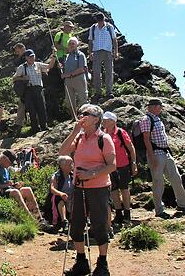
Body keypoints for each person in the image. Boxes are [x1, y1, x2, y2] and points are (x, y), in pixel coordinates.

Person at [59, 104, 117, 276]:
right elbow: (62, 151)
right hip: (78, 187)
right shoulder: (79, 138)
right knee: (76, 225)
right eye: (80, 113)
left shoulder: (104, 139)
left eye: (86, 114)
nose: (81, 116)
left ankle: (102, 263)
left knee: (99, 225)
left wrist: (91, 174)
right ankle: (81, 261)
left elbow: (112, 166)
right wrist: (75, 130)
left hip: (98, 188)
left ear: (96, 119)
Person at [0, 149, 54, 231]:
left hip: (3, 191)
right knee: (15, 192)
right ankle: (32, 221)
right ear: (4, 159)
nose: (10, 165)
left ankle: (40, 220)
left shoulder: (4, 168)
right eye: (9, 163)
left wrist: (14, 185)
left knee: (27, 190)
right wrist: (6, 185)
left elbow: (6, 184)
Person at [140, 99, 185, 218]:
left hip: (165, 153)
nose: (161, 108)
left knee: (176, 178)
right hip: (156, 153)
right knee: (158, 182)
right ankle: (159, 210)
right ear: (154, 107)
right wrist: (152, 157)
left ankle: (182, 205)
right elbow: (146, 139)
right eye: (159, 106)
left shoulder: (157, 119)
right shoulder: (146, 119)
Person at [102, 111, 137, 226]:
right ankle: (118, 214)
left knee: (124, 189)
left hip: (123, 165)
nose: (104, 122)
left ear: (113, 121)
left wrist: (133, 163)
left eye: (106, 120)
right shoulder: (103, 134)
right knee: (113, 191)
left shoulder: (121, 132)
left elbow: (131, 148)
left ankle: (127, 214)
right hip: (109, 167)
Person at [12, 49, 56, 134]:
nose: (32, 58)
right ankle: (35, 128)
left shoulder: (38, 65)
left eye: (33, 56)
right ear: (26, 58)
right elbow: (14, 78)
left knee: (42, 108)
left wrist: (54, 56)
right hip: (28, 90)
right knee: (32, 110)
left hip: (38, 89)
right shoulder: (22, 67)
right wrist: (23, 78)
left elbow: (49, 66)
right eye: (30, 57)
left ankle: (44, 126)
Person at [88, 12, 118, 102]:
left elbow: (114, 40)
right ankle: (98, 92)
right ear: (97, 20)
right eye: (99, 20)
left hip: (108, 51)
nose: (100, 22)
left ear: (104, 19)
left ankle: (109, 92)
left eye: (101, 20)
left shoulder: (109, 27)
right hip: (96, 51)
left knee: (109, 72)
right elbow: (90, 41)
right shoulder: (93, 28)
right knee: (96, 72)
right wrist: (90, 53)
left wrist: (116, 52)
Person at [60, 37, 89, 117]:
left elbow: (82, 69)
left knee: (83, 98)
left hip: (79, 78)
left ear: (77, 45)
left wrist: (68, 75)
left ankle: (86, 117)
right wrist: (61, 67)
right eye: (70, 44)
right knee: (69, 101)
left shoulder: (80, 55)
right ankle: (74, 117)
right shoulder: (66, 56)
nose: (71, 45)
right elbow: (65, 69)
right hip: (68, 81)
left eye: (73, 43)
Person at [48, 155, 74, 232]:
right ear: (62, 166)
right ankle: (64, 221)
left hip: (71, 198)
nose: (72, 166)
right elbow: (52, 189)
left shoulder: (73, 175)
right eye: (69, 164)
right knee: (59, 199)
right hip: (60, 197)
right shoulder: (56, 175)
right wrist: (61, 194)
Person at [13, 43, 28, 129]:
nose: (17, 53)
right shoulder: (19, 59)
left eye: (17, 51)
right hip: (23, 85)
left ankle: (19, 123)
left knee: (23, 103)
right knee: (22, 103)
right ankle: (19, 123)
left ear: (22, 48)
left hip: (28, 84)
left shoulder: (28, 56)